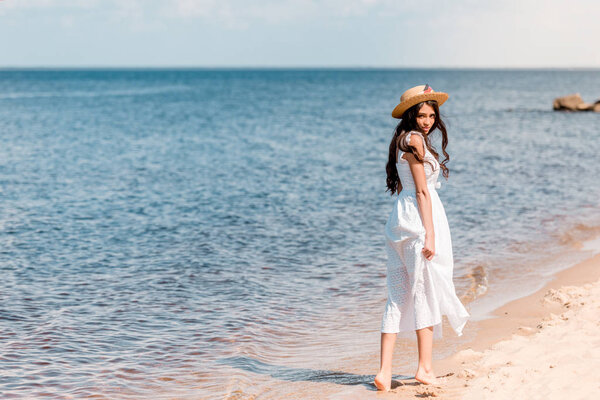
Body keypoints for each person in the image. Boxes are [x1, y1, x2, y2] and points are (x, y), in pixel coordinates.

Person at [374, 84, 470, 391]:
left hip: (400, 220)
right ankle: (425, 368)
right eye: (421, 114)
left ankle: (384, 371)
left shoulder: (403, 139)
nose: (427, 120)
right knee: (424, 292)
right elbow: (422, 192)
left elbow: (410, 191)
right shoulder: (414, 140)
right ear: (410, 115)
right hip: (418, 222)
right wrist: (430, 235)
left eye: (431, 115)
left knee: (398, 296)